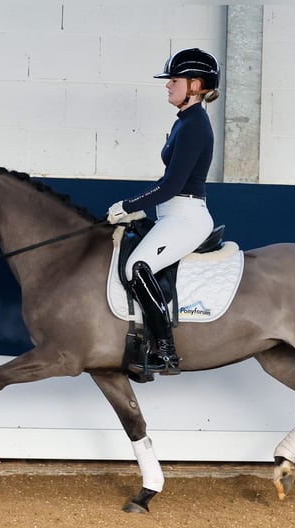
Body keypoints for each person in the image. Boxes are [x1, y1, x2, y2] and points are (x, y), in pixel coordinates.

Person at [107, 48, 220, 376]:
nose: (168, 86)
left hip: (186, 217)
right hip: (172, 214)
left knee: (138, 267)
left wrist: (128, 206)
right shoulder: (185, 121)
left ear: (195, 85)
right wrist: (142, 212)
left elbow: (171, 185)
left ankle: (166, 352)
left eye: (174, 80)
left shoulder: (195, 125)